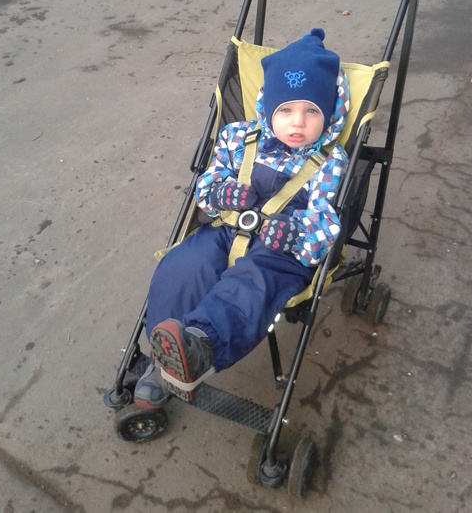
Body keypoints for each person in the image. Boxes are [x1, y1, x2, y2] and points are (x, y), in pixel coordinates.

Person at [134, 27, 350, 408]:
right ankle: (163, 356)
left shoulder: (329, 162)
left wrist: (296, 233)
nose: (297, 123)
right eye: (286, 110)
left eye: (311, 111)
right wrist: (220, 192)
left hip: (280, 252)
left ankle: (201, 346)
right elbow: (207, 183)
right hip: (226, 228)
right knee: (184, 265)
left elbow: (326, 224)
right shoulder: (238, 138)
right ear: (268, 107)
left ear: (329, 113)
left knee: (253, 283)